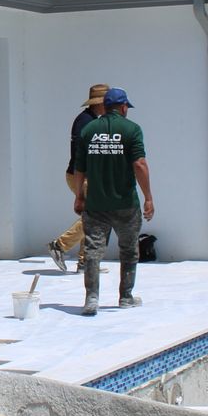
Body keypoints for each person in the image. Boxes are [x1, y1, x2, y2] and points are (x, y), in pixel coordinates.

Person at [71, 87, 155, 317]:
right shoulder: (131, 129)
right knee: (128, 250)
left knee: (93, 251)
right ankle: (126, 297)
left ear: (105, 106)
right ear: (124, 107)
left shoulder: (89, 129)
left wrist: (79, 196)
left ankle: (91, 298)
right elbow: (139, 164)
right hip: (126, 204)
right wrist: (148, 197)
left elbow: (79, 167)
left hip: (96, 204)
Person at [48, 83, 108, 271]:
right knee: (96, 216)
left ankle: (86, 262)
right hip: (82, 176)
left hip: (79, 175)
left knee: (90, 217)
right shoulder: (87, 121)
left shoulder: (87, 119)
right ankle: (60, 245)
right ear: (99, 103)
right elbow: (82, 153)